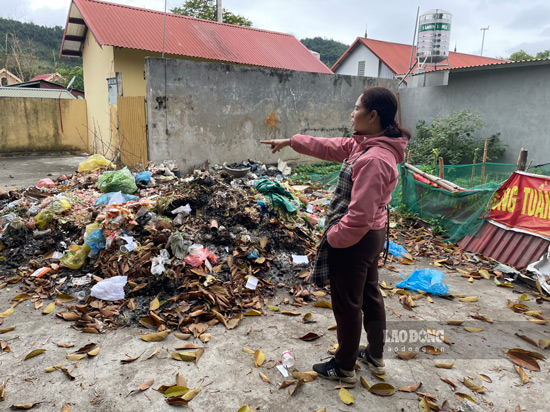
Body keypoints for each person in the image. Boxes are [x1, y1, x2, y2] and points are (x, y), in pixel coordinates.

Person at [261, 86, 410, 383]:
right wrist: (291, 141)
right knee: (369, 294)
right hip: (371, 235)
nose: (351, 114)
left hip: (357, 239)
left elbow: (359, 216)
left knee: (347, 303)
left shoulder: (374, 159)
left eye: (356, 108)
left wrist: (334, 238)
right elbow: (328, 146)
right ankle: (375, 355)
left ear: (373, 115)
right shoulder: (367, 145)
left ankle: (343, 366)